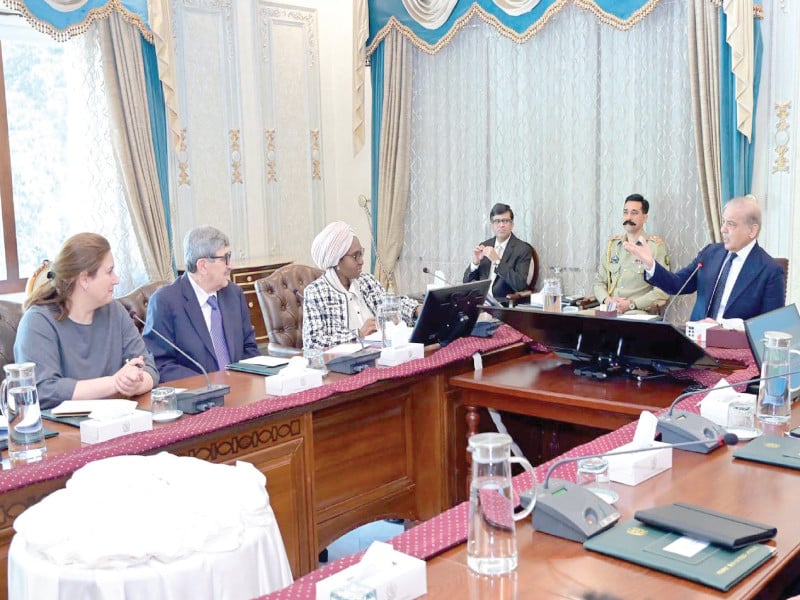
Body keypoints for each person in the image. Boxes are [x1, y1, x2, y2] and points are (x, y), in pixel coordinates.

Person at [14, 233, 158, 409]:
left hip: (115, 422)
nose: (117, 279)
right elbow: (43, 390)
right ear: (84, 279)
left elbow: (149, 368)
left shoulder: (115, 311)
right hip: (62, 431)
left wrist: (136, 384)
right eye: (109, 271)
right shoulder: (37, 322)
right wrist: (114, 383)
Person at [625, 196, 785, 321]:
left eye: (731, 224)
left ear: (752, 230)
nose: (723, 229)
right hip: (697, 343)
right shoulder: (711, 253)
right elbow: (676, 284)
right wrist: (650, 263)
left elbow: (768, 327)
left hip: (735, 352)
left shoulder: (770, 271)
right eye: (723, 222)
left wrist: (723, 326)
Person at [144, 226, 259, 381]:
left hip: (240, 390)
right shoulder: (165, 302)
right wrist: (208, 384)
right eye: (225, 258)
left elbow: (250, 348)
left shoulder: (234, 294)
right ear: (203, 266)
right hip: (196, 397)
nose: (231, 265)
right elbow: (160, 364)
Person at [302, 221, 419, 350]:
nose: (361, 261)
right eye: (355, 256)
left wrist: (417, 310)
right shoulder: (315, 293)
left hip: (382, 353)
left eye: (361, 253)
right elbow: (312, 343)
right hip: (346, 365)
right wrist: (358, 335)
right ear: (337, 260)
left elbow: (391, 306)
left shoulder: (366, 281)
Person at [593, 193, 670, 313]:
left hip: (637, 312)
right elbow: (599, 282)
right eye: (625, 212)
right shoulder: (613, 245)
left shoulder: (655, 247)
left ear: (645, 218)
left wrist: (631, 304)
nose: (628, 217)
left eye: (634, 213)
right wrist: (607, 300)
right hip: (610, 309)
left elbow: (662, 292)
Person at [463, 203, 535, 302]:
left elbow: (520, 285)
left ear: (512, 224)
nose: (501, 225)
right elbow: (466, 284)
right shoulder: (485, 245)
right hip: (479, 303)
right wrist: (475, 263)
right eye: (497, 221)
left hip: (503, 305)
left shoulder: (523, 249)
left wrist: (497, 261)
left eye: (505, 221)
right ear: (492, 225)